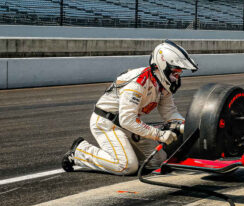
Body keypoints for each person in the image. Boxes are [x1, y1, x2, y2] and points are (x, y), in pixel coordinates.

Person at [62, 40, 198, 176]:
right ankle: (80, 152)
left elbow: (170, 113)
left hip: (127, 124)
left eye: (179, 74)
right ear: (162, 66)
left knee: (157, 162)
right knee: (126, 166)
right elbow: (127, 120)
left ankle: (127, 154)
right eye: (175, 73)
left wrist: (189, 126)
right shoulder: (137, 83)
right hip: (107, 123)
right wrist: (160, 134)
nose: (176, 79)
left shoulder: (163, 84)